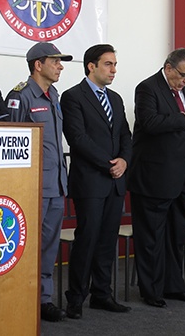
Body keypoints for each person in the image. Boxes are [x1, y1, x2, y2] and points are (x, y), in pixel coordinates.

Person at [60, 44, 132, 319]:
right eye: (108, 64)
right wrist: (109, 164)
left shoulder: (115, 98)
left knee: (106, 241)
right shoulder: (72, 97)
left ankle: (102, 294)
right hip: (91, 181)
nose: (114, 70)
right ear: (91, 66)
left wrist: (124, 161)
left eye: (115, 64)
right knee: (87, 240)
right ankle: (75, 299)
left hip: (115, 181)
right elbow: (78, 139)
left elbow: (125, 134)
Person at [128, 48, 185, 308]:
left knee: (177, 236)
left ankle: (174, 286)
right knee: (151, 238)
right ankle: (151, 290)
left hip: (184, 178)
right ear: (168, 67)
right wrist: (180, 119)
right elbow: (149, 122)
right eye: (182, 75)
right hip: (154, 177)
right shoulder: (148, 88)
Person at [6, 42, 71, 322]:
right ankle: (18, 297)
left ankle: (42, 300)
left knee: (48, 247)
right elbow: (12, 145)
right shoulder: (20, 96)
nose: (60, 66)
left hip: (56, 185)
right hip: (31, 188)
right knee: (23, 245)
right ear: (38, 64)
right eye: (55, 61)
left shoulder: (54, 94)